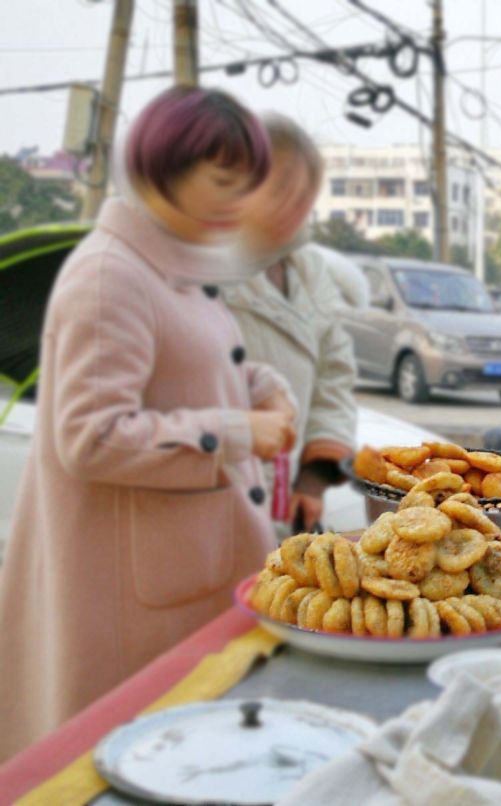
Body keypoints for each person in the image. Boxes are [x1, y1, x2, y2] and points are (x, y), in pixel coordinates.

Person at [0, 87, 294, 762]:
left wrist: (265, 390)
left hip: (182, 575)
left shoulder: (173, 273)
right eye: (223, 182)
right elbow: (93, 436)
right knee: (124, 761)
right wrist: (242, 432)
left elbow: (197, 370)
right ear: (162, 172)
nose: (238, 204)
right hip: (132, 605)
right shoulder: (110, 277)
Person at [224, 114, 358, 535]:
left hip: (284, 491)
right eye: (280, 187)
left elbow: (333, 376)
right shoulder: (200, 269)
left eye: (304, 192)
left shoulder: (310, 269)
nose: (293, 203)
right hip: (215, 487)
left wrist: (314, 479)